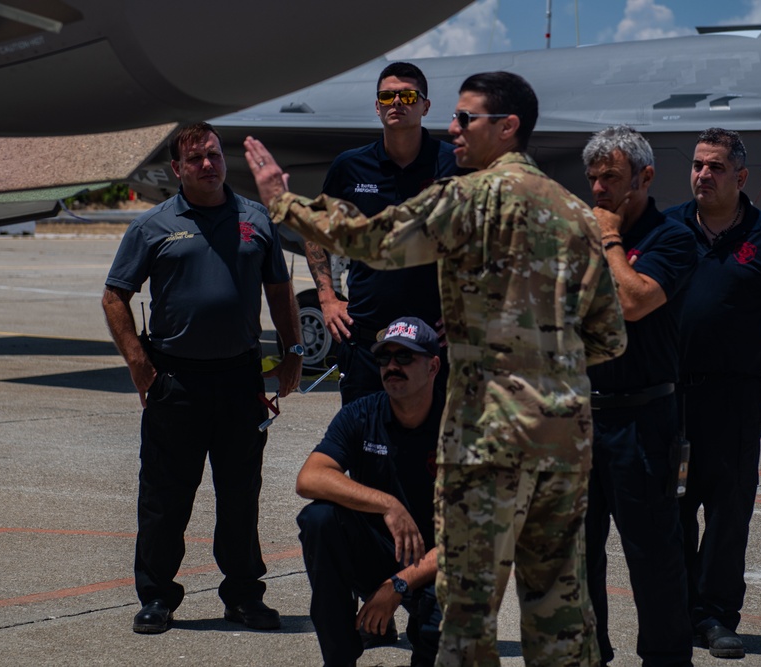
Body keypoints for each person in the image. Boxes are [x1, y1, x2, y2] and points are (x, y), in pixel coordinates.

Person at [246, 71, 627, 666]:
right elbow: (608, 337)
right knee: (559, 605)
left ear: (507, 128)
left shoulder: (466, 197)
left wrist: (281, 201)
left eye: (465, 118)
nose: (452, 128)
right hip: (563, 439)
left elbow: (372, 241)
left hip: (486, 433)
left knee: (466, 609)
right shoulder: (577, 214)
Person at [102, 122, 302, 635]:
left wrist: (293, 352)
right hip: (177, 382)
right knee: (166, 499)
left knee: (240, 497)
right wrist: (138, 363)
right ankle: (157, 597)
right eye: (195, 159)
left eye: (213, 155)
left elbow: (280, 290)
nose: (208, 165)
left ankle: (243, 596)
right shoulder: (154, 225)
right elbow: (114, 295)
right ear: (177, 169)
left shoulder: (255, 218)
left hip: (240, 380)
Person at [667, 128, 761, 659]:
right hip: (671, 399)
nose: (703, 175)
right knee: (673, 510)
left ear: (741, 177)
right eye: (699, 165)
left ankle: (717, 616)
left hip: (733, 401)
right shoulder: (667, 229)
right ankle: (680, 612)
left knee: (729, 512)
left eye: (716, 167)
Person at [581, 126, 697, 666]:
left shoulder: (671, 237)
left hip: (643, 419)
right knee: (576, 558)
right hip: (579, 419)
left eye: (613, 178)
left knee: (653, 555)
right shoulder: (578, 237)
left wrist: (608, 240)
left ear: (644, 178)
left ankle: (666, 658)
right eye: (594, 179)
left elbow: (634, 301)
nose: (600, 190)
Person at [305, 61, 459, 404]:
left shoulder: (454, 164)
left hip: (435, 341)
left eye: (407, 95)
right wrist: (328, 298)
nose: (397, 103)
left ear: (425, 105)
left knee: (435, 452)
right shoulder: (350, 165)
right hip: (368, 340)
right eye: (387, 97)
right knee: (367, 445)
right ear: (377, 106)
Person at [296, 316, 446, 667]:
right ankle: (340, 658)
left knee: (442, 633)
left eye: (405, 357)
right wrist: (387, 504)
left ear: (434, 365)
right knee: (320, 519)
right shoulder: (362, 414)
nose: (392, 366)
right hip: (380, 550)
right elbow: (310, 478)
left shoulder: (460, 426)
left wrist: (397, 586)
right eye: (385, 358)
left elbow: (472, 537)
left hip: (441, 560)